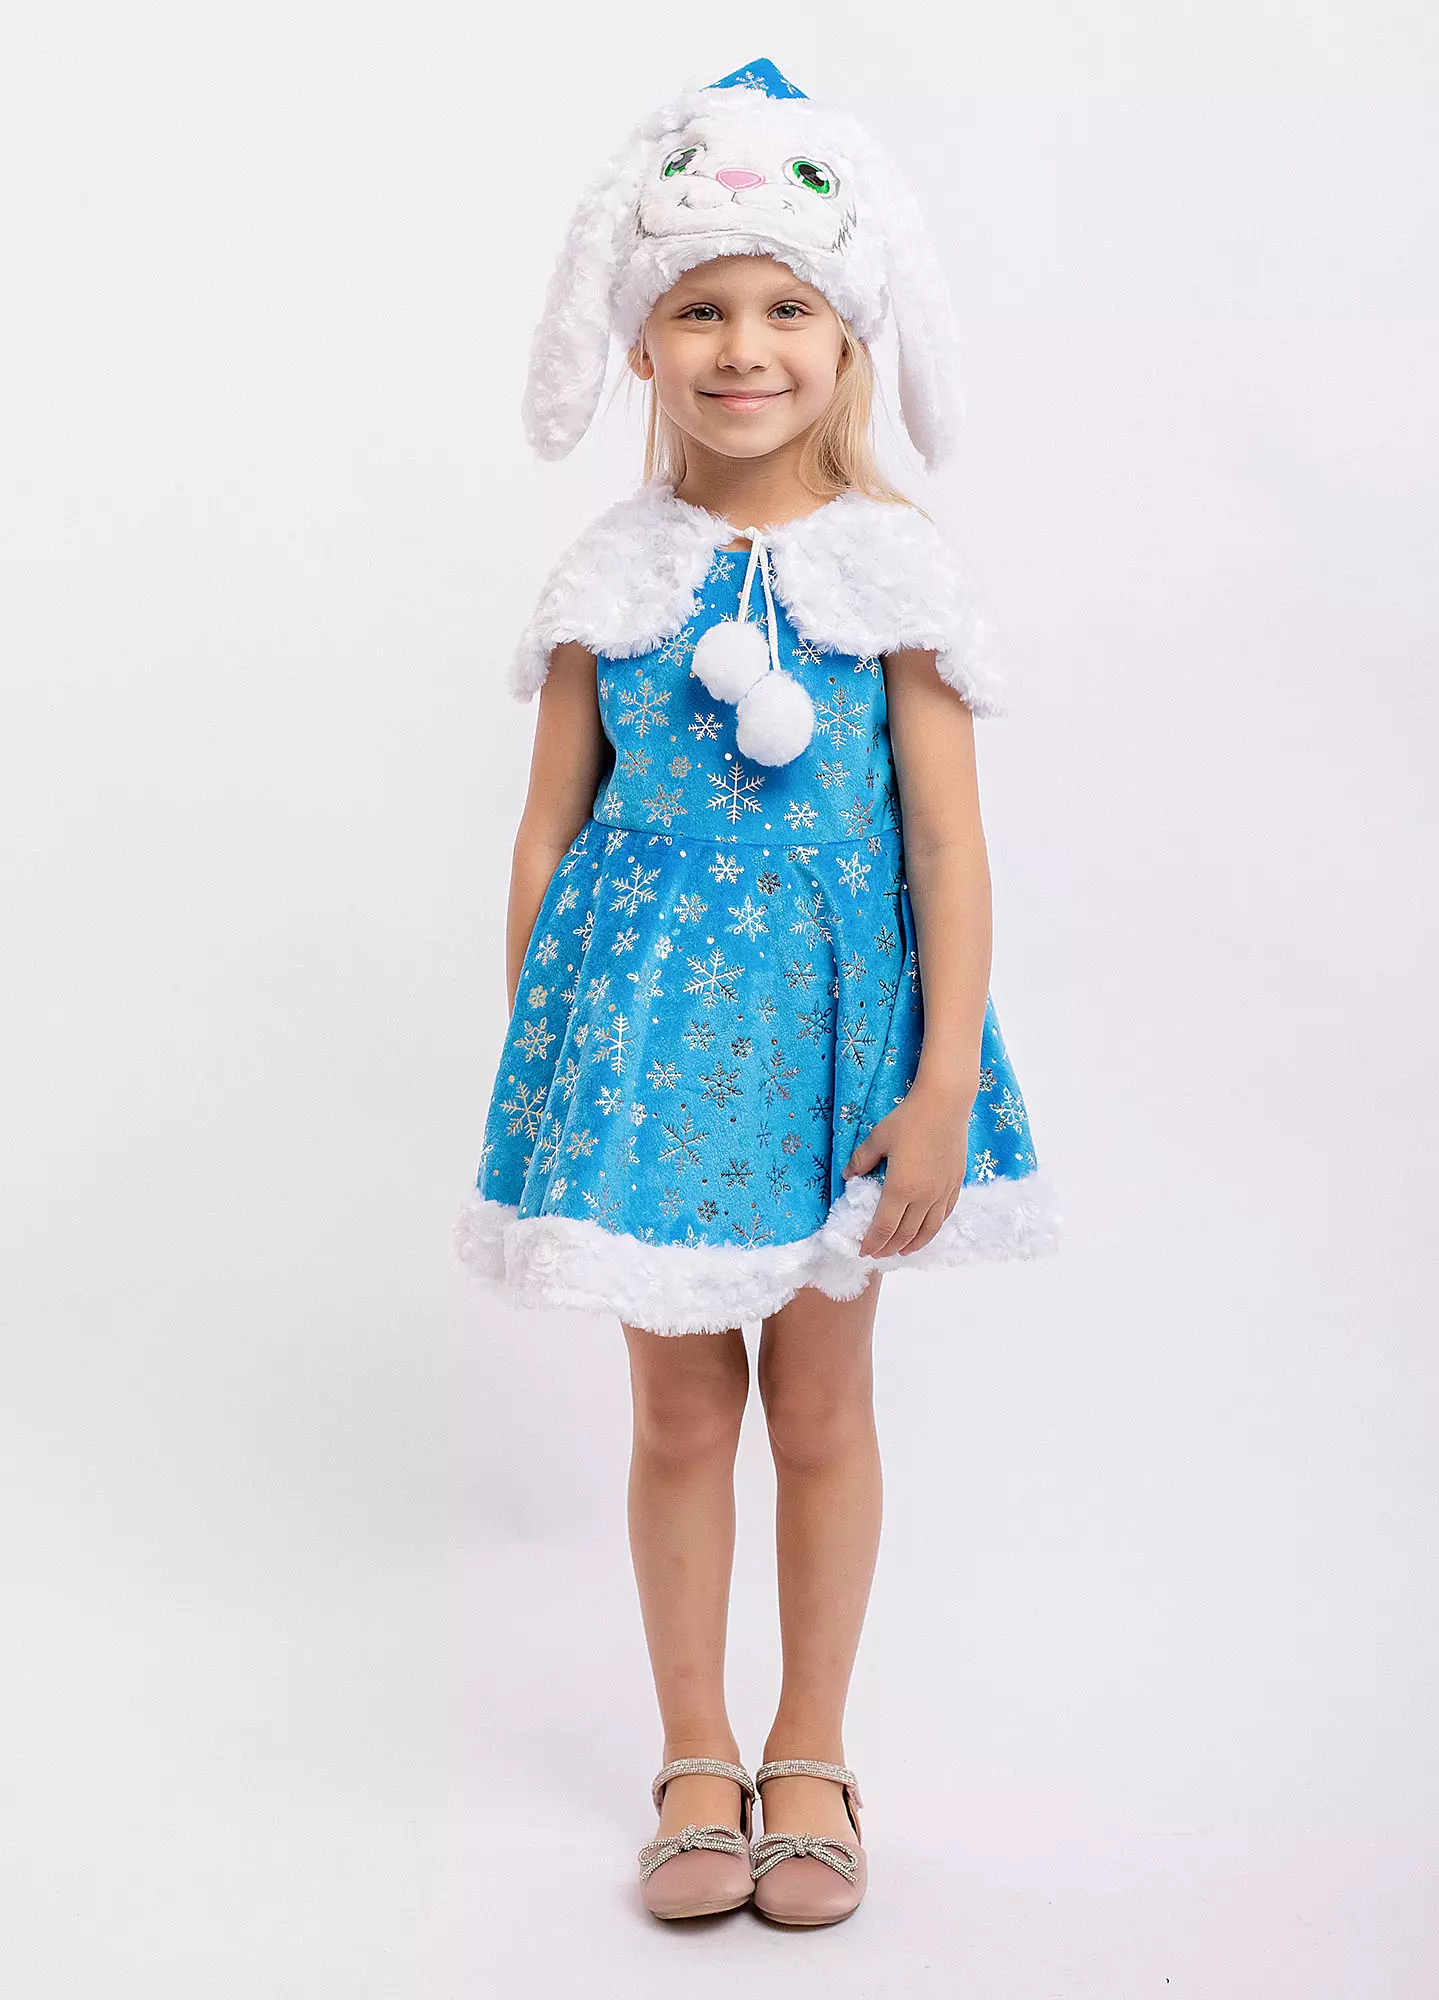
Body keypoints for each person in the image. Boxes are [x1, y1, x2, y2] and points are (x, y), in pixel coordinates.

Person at [453, 56, 1061, 1925]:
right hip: (646, 1066)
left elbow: (946, 845)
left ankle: (812, 1749)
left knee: (816, 1407)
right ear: (641, 345)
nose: (744, 347)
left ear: (847, 336)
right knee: (675, 1416)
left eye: (786, 308)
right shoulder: (609, 578)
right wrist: (558, 1068)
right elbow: (549, 836)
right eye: (703, 309)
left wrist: (941, 1084)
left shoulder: (895, 575)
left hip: (836, 1061)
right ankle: (694, 1752)